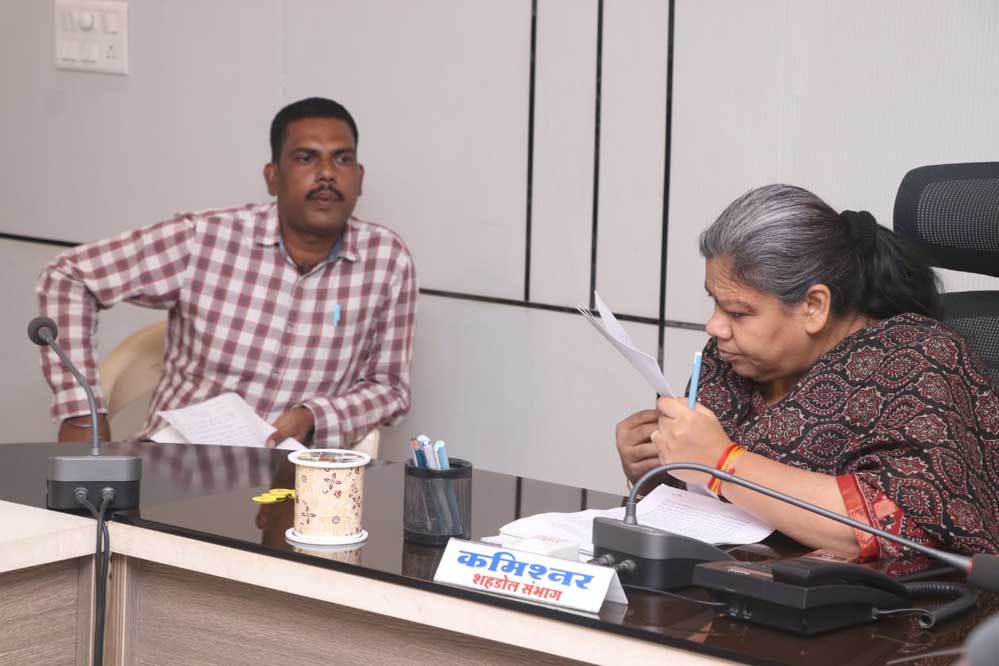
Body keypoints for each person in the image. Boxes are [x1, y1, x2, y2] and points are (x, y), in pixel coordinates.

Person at [616, 184, 999, 559]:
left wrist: (723, 463)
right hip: (733, 583)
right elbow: (701, 501)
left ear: (814, 306)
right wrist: (653, 469)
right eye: (714, 303)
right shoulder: (727, 360)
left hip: (880, 597)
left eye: (737, 312)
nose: (714, 326)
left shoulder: (918, 359)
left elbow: (896, 527)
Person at [37, 97, 416, 449]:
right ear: (273, 177)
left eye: (342, 159)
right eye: (306, 158)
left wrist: (315, 416)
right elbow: (69, 277)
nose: (327, 174)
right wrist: (81, 412)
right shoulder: (205, 239)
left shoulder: (386, 260)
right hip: (182, 462)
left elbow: (390, 389)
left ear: (360, 178)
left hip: (295, 475)